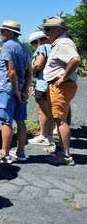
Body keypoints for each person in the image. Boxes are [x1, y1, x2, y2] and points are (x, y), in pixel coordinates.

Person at [0, 20, 31, 163]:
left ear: (11, 32)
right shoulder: (25, 48)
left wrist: (17, 90)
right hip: (22, 88)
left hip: (8, 89)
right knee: (21, 121)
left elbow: (11, 71)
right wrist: (24, 90)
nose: (0, 33)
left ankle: (4, 154)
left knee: (6, 121)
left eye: (3, 30)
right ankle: (21, 152)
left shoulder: (7, 46)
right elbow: (29, 72)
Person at [43, 16, 80, 166]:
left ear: (58, 30)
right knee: (59, 118)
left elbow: (75, 59)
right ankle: (61, 151)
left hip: (61, 86)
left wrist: (63, 78)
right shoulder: (62, 42)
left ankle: (66, 156)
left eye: (49, 29)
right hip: (61, 85)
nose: (47, 33)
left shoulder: (63, 43)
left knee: (60, 120)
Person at [27, 31, 54, 147]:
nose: (33, 45)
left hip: (42, 83)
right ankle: (49, 135)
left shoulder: (42, 48)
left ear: (39, 40)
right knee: (50, 110)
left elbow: (38, 65)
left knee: (42, 110)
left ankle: (44, 136)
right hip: (51, 82)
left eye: (33, 43)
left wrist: (26, 70)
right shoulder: (53, 47)